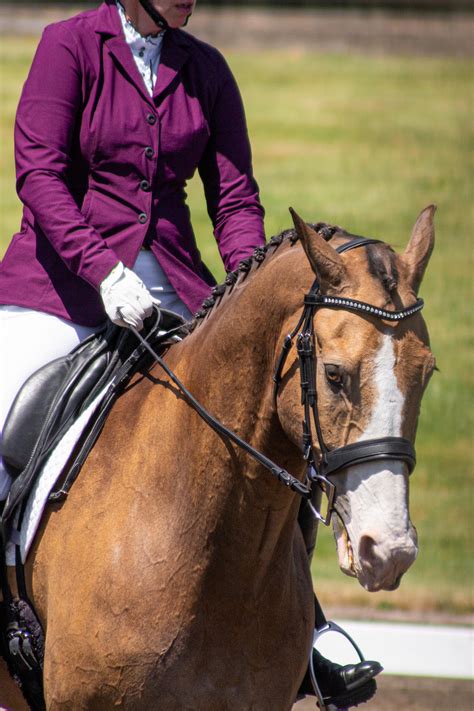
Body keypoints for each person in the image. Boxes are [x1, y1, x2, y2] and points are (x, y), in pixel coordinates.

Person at [0, 0, 381, 705]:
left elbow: (235, 202)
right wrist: (102, 271)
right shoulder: (69, 46)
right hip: (60, 289)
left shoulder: (205, 69)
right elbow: (40, 176)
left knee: (273, 422)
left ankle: (309, 629)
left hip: (174, 291)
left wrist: (251, 300)